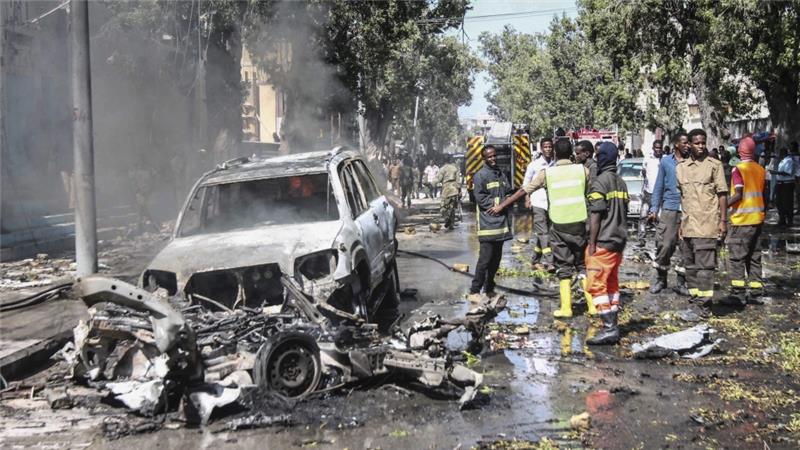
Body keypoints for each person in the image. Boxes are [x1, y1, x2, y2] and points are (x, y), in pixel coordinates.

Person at [489, 139, 595, 318]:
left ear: (555, 154)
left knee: (563, 267)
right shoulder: (583, 171)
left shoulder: (547, 173)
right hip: (580, 225)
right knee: (582, 266)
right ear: (571, 154)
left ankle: (567, 309)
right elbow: (592, 194)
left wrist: (502, 206)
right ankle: (593, 307)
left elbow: (523, 190)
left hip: (560, 226)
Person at [676, 128, 728, 306]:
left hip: (707, 225)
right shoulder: (681, 168)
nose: (700, 146)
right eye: (696, 143)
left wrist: (723, 221)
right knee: (690, 267)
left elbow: (722, 194)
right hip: (688, 226)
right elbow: (681, 199)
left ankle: (705, 304)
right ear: (689, 144)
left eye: (703, 142)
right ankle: (695, 299)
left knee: (705, 268)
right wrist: (680, 225)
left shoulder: (714, 165)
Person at [585, 142, 629, 345]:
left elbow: (596, 215)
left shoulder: (600, 182)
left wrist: (591, 244)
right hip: (618, 241)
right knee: (611, 283)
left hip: (603, 241)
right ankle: (613, 324)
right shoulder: (621, 182)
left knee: (596, 284)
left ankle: (609, 328)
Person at [467, 146, 513, 302]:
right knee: (485, 260)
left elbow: (508, 192)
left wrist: (506, 201)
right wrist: (501, 204)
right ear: (484, 159)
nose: (493, 159)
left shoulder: (501, 174)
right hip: (487, 224)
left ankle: (489, 289)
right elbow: (480, 199)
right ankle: (474, 291)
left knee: (496, 260)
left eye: (494, 156)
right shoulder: (480, 176)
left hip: (500, 224)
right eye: (489, 157)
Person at [647, 131, 690, 295]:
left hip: (687, 209)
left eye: (688, 143)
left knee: (686, 247)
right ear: (676, 144)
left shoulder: (692, 162)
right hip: (670, 208)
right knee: (665, 244)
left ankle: (681, 282)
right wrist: (654, 209)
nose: (687, 146)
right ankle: (661, 279)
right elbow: (658, 186)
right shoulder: (666, 162)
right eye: (684, 143)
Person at [725, 136, 766, 306]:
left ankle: (737, 294)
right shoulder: (760, 169)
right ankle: (756, 293)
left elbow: (739, 194)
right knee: (754, 257)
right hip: (757, 219)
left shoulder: (738, 169)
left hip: (742, 220)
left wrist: (721, 205)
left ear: (739, 152)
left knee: (737, 258)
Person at [522, 138, 555, 271]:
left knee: (547, 232)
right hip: (538, 202)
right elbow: (526, 183)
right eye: (545, 147)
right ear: (541, 149)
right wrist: (527, 198)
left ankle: (535, 260)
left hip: (552, 204)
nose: (548, 149)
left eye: (550, 147)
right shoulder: (534, 165)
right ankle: (550, 261)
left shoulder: (556, 165)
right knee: (543, 232)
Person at [639, 140, 663, 247]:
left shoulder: (664, 160)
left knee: (659, 218)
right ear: (653, 148)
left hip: (660, 194)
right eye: (656, 148)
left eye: (659, 148)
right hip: (647, 192)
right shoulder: (647, 159)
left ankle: (659, 241)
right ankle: (641, 239)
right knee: (643, 216)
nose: (658, 150)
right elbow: (643, 172)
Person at [435, 154, 461, 230]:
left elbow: (438, 179)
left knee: (443, 208)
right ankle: (451, 224)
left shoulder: (442, 169)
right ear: (450, 160)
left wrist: (431, 183)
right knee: (452, 208)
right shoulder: (454, 168)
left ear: (443, 160)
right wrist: (459, 191)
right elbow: (458, 181)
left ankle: (447, 219)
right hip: (454, 190)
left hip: (446, 190)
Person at [772, 147, 795, 227]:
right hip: (780, 183)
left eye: (780, 153)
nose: (779, 154)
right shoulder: (782, 161)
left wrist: (775, 172)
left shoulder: (789, 161)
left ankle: (789, 221)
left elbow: (787, 173)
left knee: (787, 203)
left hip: (787, 184)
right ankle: (782, 220)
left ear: (783, 153)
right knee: (778, 202)